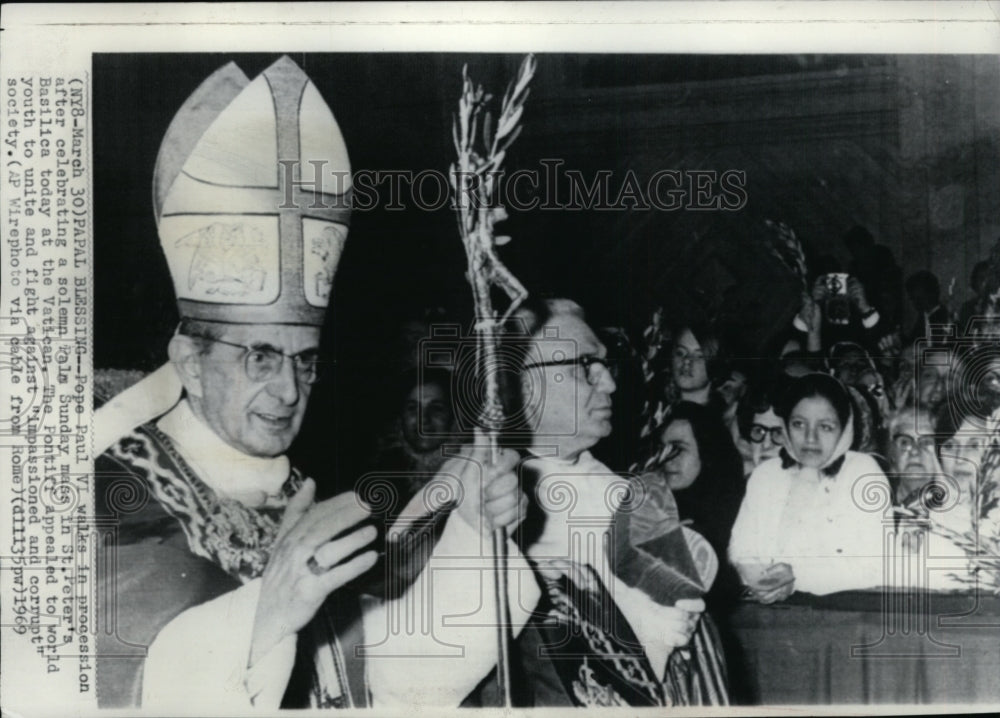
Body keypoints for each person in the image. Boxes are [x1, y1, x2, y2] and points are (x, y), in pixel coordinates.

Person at [93, 57, 523, 711]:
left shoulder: (300, 491)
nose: (291, 390)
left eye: (305, 360)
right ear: (190, 362)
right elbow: (111, 686)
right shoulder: (117, 492)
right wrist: (266, 615)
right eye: (261, 358)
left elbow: (388, 681)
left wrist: (473, 532)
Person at [459, 298, 724, 707]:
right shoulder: (478, 500)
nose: (610, 384)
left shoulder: (635, 494)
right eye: (585, 366)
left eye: (605, 364)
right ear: (519, 383)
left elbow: (688, 624)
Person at [728, 373, 890, 602]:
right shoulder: (766, 475)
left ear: (844, 428)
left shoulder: (863, 472)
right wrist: (764, 582)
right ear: (784, 425)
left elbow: (874, 566)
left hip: (843, 618)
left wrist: (797, 577)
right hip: (763, 616)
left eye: (825, 427)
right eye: (799, 424)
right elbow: (741, 552)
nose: (810, 438)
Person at [652, 402, 745, 608]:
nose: (666, 458)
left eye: (678, 448)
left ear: (707, 452)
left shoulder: (733, 507)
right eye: (661, 448)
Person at [904, 270, 952, 345]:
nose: (911, 300)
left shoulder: (943, 317)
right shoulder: (923, 316)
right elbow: (913, 342)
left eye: (914, 297)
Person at [957, 260, 990, 336]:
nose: (986, 283)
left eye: (990, 278)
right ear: (975, 282)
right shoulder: (967, 308)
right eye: (982, 279)